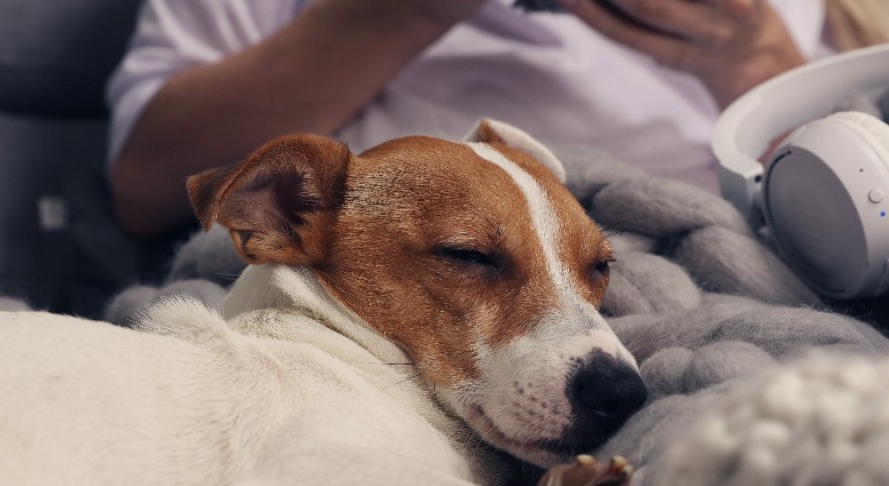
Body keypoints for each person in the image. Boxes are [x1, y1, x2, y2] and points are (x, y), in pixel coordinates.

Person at [106, 0, 889, 236]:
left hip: (744, 269)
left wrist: (750, 55)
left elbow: (868, 201)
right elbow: (150, 185)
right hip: (448, 293)